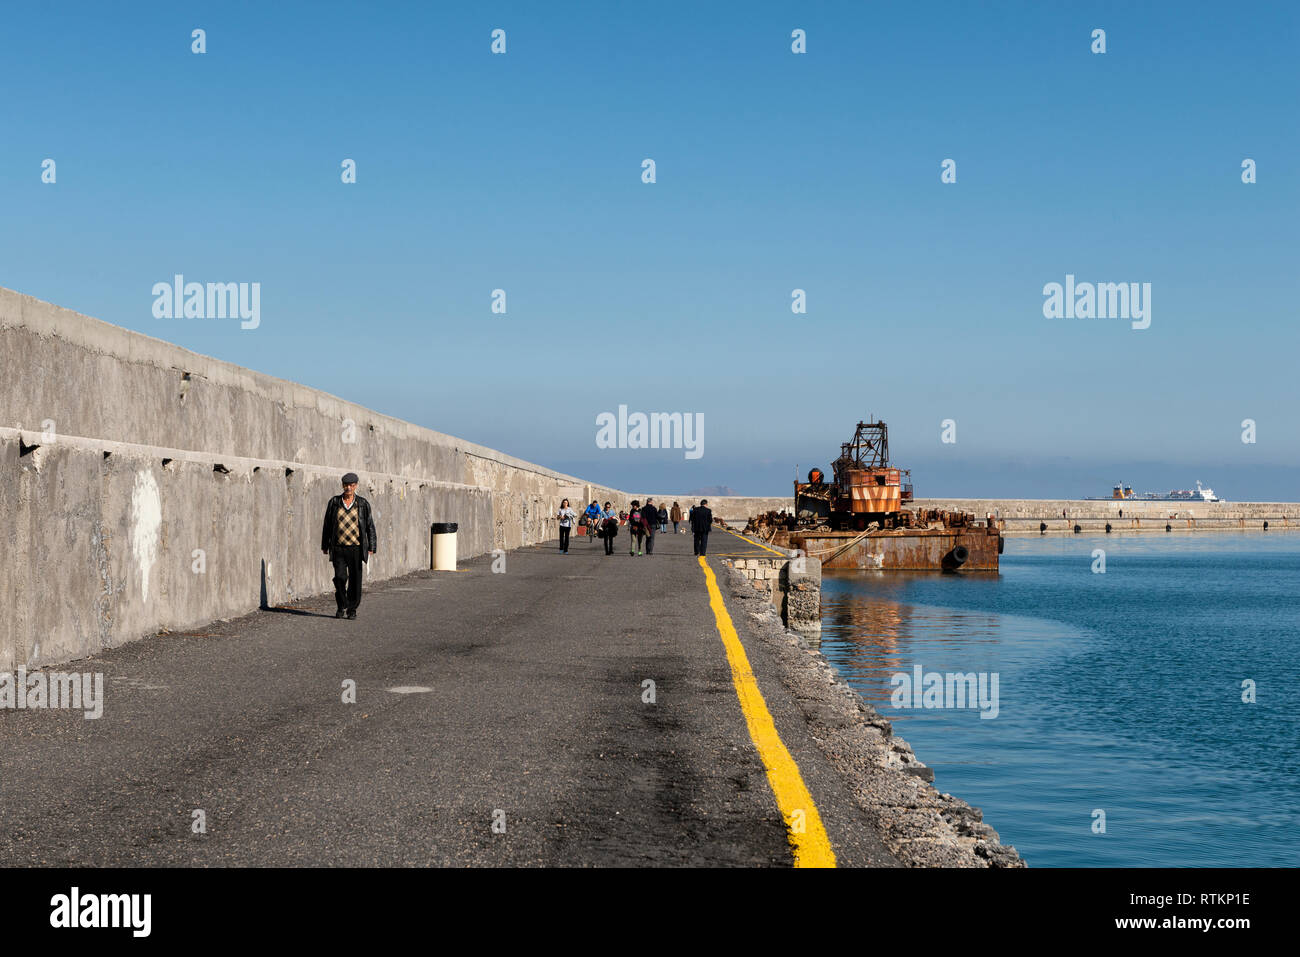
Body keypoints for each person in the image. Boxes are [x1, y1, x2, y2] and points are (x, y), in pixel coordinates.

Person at [320, 472, 377, 619]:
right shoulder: (334, 502)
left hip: (356, 548)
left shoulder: (362, 504)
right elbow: (327, 525)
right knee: (339, 577)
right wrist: (325, 544)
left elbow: (370, 525)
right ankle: (341, 604)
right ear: (342, 485)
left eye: (351, 485)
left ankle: (352, 609)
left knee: (355, 580)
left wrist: (372, 545)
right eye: (346, 485)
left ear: (356, 486)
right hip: (338, 547)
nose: (348, 488)